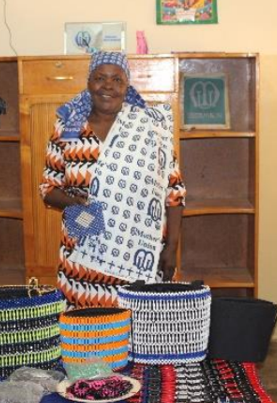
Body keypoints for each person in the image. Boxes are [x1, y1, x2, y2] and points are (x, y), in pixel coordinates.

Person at [40, 51, 186, 308]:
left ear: (127, 86)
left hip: (139, 250)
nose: (108, 85)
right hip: (83, 247)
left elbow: (174, 192)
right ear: (88, 83)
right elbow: (48, 187)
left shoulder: (149, 128)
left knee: (137, 325)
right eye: (100, 78)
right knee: (86, 330)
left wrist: (171, 248)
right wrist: (74, 203)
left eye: (117, 79)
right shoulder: (69, 128)